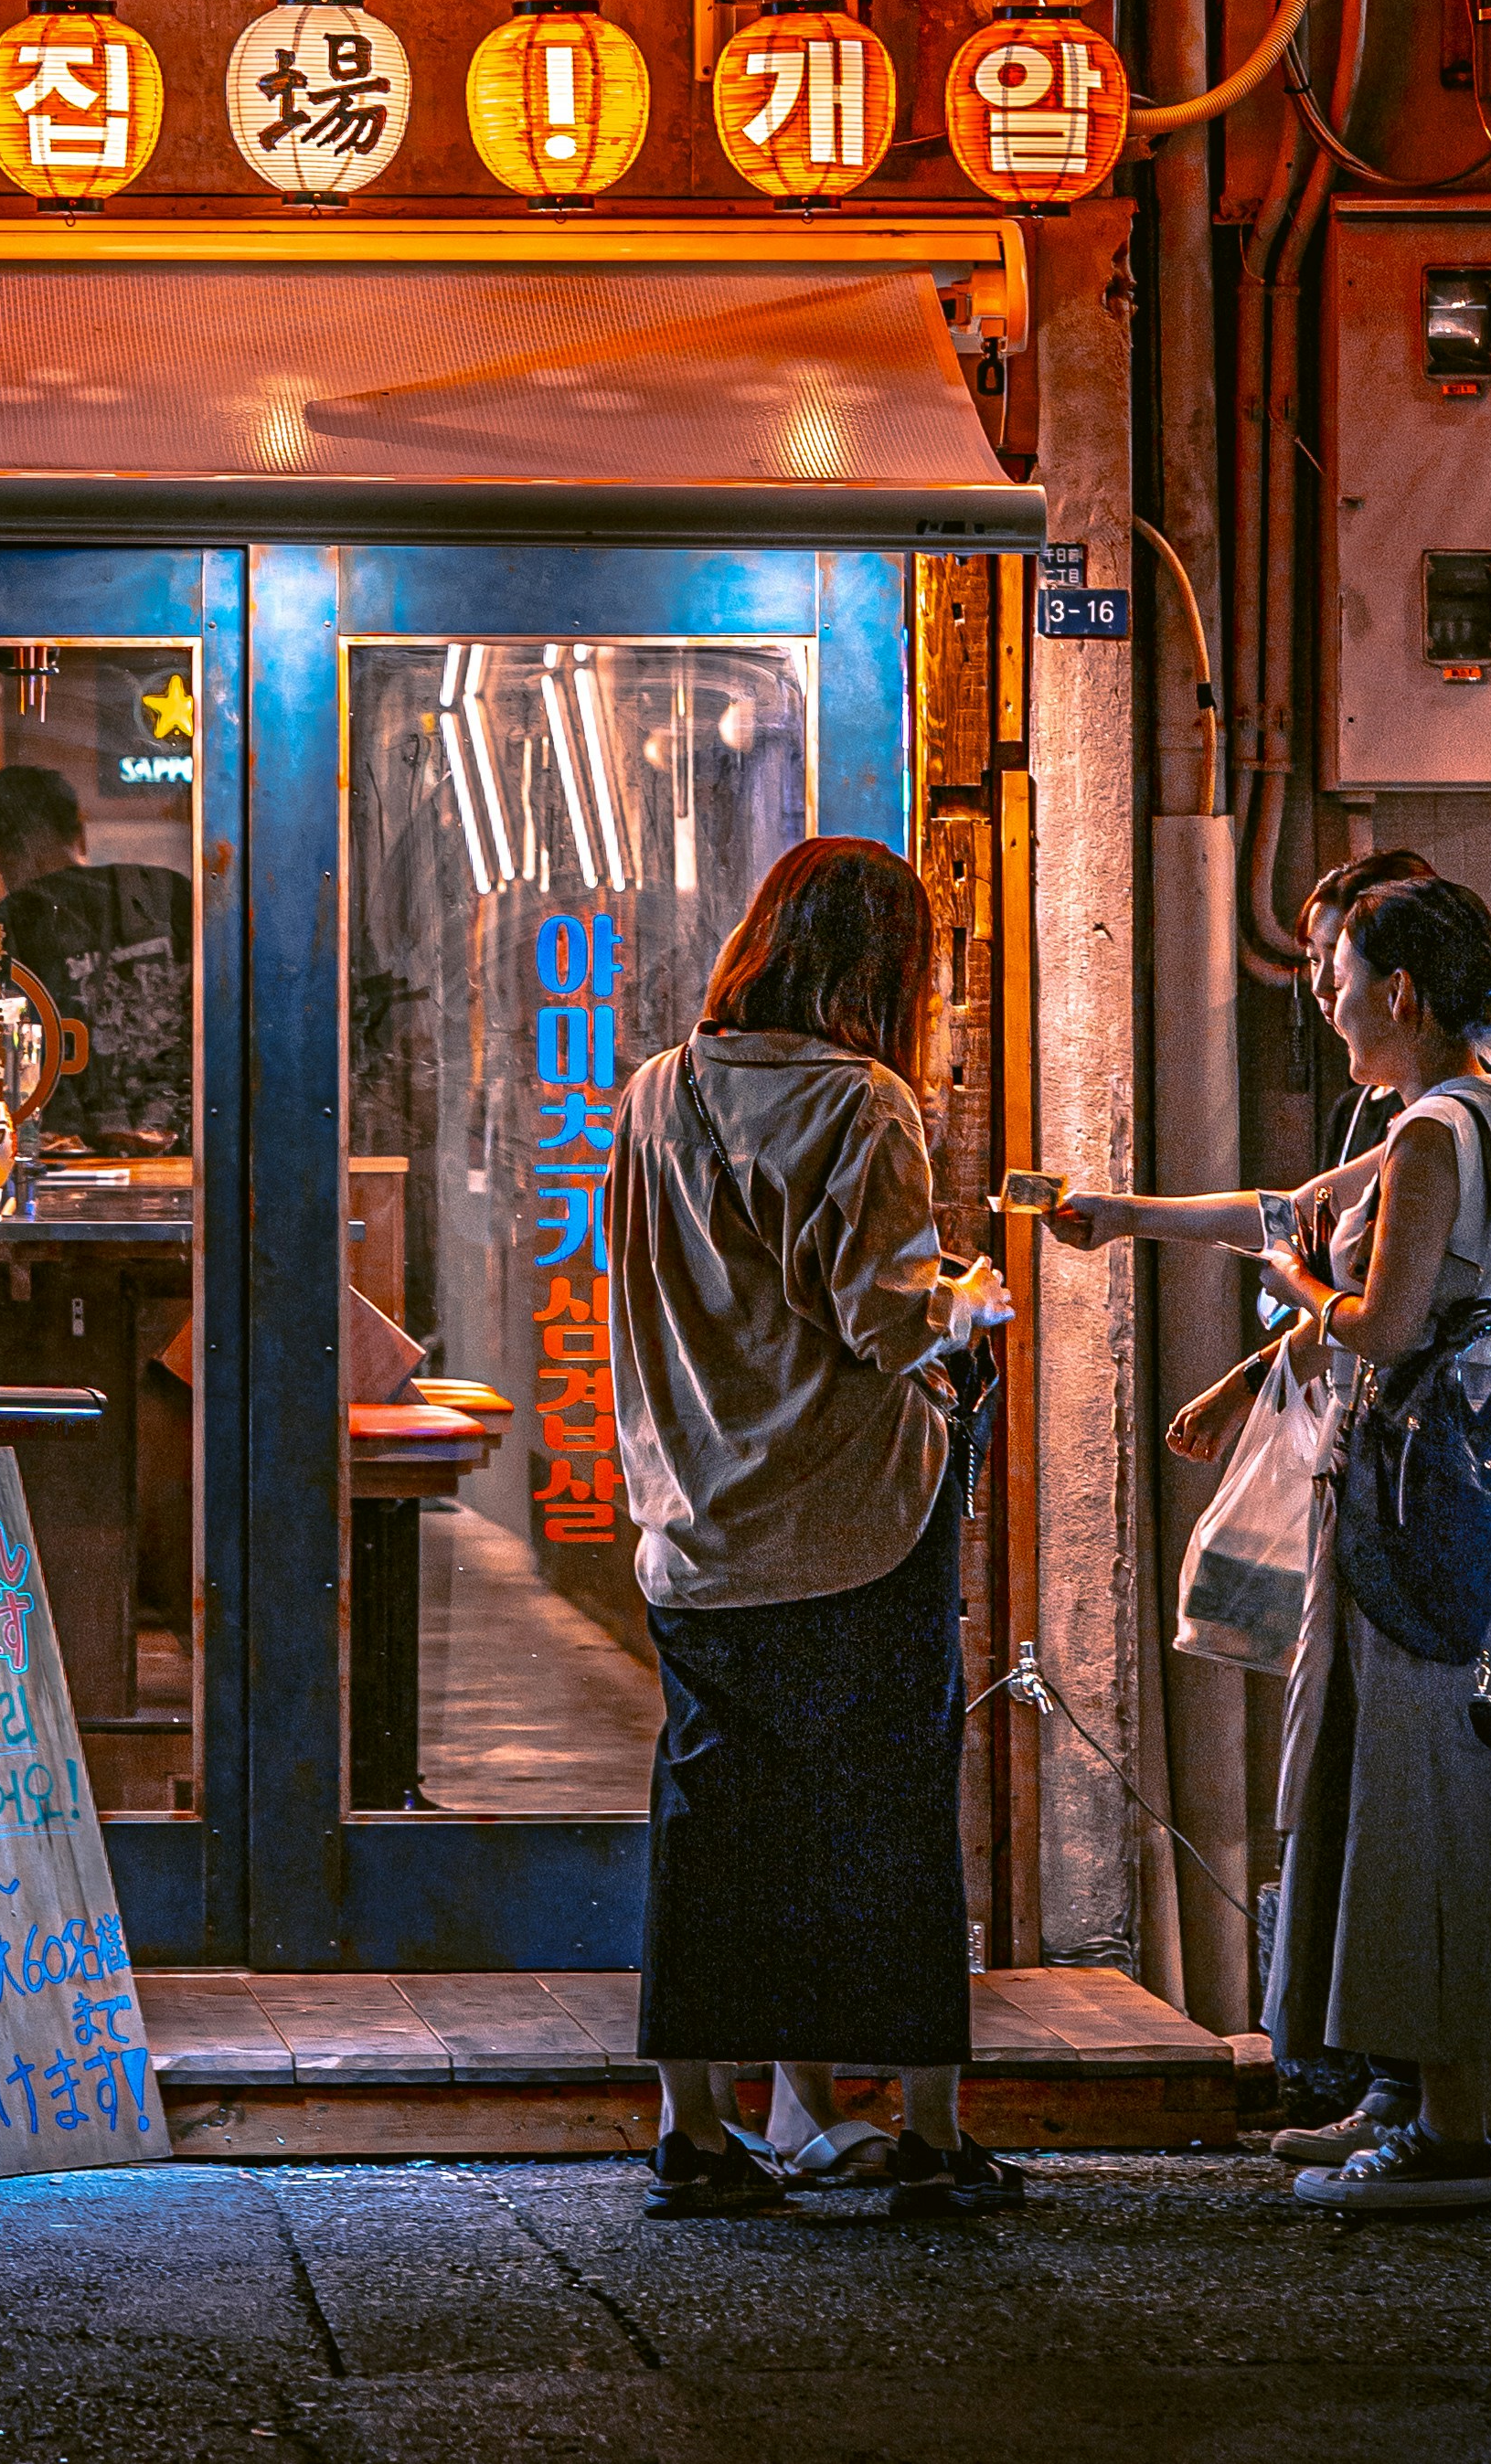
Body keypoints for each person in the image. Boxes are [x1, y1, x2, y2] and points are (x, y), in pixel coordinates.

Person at [1060, 872, 1491, 2213]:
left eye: (1335, 982)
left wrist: (1296, 1295)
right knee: (1472, 1811)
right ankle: (1474, 2119)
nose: (1320, 1003)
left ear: (1397, 990)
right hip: (1470, 1514)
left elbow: (1372, 1321)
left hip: (1414, 1513)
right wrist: (1130, 1217)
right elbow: (1286, 1203)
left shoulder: (1434, 1133)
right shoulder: (1467, 1117)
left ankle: (1454, 2134)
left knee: (1426, 1810)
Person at [605, 835, 1018, 2218]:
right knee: (886, 1827)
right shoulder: (864, 1100)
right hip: (852, 1525)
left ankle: (697, 2131)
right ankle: (927, 2133)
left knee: (713, 1829)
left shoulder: (655, 1092)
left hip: (697, 1527)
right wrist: (974, 1292)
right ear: (883, 969)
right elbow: (885, 1318)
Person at [0, 762, 192, 1151]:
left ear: (15, 848)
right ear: (79, 831)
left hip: (67, 1160)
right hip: (191, 1155)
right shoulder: (171, 893)